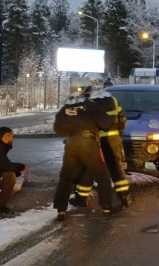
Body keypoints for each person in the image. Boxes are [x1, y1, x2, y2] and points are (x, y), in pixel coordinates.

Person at [52, 77, 117, 220]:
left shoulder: (66, 107)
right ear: (87, 90)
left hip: (71, 144)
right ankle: (106, 206)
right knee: (102, 175)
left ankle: (61, 209)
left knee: (66, 177)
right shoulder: (90, 105)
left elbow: (57, 128)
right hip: (88, 143)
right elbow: (105, 123)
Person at [90, 86, 131, 206]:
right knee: (116, 167)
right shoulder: (113, 100)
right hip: (113, 138)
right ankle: (123, 195)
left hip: (96, 140)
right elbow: (122, 119)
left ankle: (82, 197)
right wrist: (119, 134)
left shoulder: (89, 103)